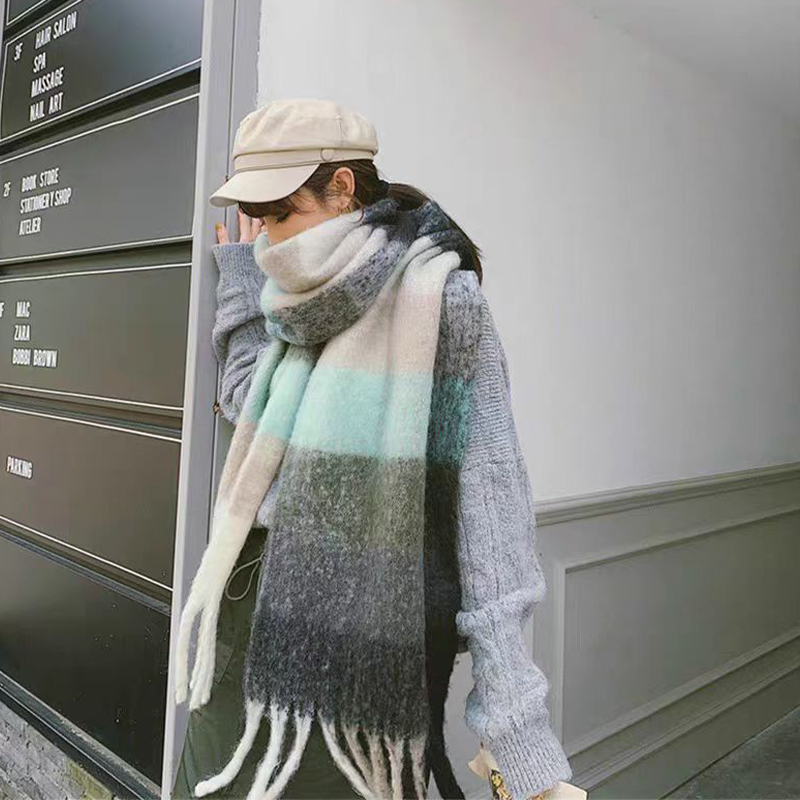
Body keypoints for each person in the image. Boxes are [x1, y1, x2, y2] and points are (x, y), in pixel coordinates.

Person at [172, 98, 573, 800]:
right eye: (259, 218)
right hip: (249, 614)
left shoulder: (442, 305)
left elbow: (491, 516)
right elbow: (248, 402)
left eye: (280, 213)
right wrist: (241, 281)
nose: (268, 239)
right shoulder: (293, 298)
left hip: (361, 645)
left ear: (342, 188)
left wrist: (518, 738)